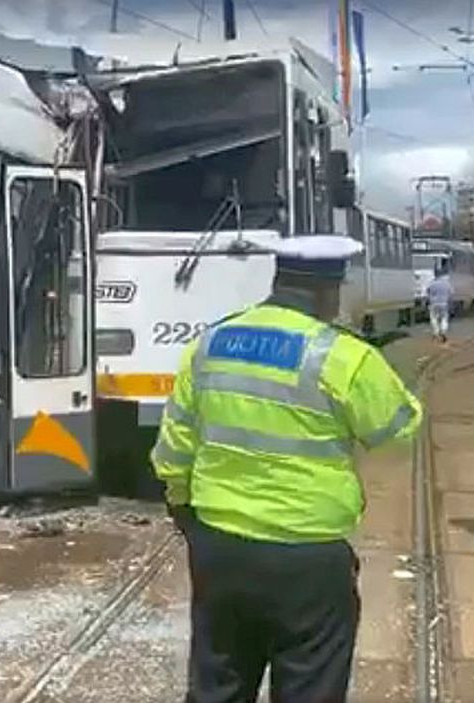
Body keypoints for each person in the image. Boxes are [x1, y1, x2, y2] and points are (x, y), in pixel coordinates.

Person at [150, 235, 424, 703]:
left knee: (218, 684)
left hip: (220, 547)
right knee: (310, 686)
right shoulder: (343, 356)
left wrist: (182, 507)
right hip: (306, 557)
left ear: (278, 281)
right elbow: (399, 431)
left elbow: (174, 446)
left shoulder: (213, 341)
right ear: (329, 292)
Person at [426, 263, 454, 343]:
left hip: (434, 304)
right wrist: (450, 302)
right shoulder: (446, 283)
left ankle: (435, 332)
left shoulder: (431, 283)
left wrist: (428, 301)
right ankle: (443, 331)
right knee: (444, 318)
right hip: (444, 304)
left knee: (434, 318)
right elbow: (451, 294)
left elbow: (428, 292)